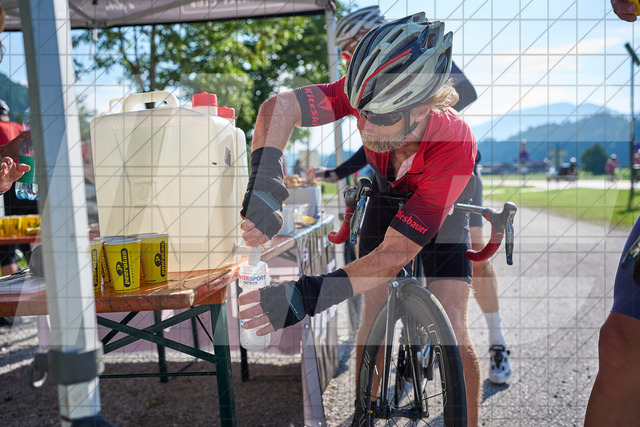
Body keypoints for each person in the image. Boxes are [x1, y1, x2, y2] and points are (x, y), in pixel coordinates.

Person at [237, 14, 482, 425]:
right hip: (386, 195)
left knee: (454, 325)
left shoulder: (454, 142)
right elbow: (280, 107)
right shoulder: (368, 90)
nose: (363, 126)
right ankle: (362, 412)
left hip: (442, 205)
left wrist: (306, 295)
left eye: (380, 117)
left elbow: (393, 255)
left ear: (422, 108)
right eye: (360, 112)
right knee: (374, 308)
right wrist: (265, 177)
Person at [311, 5, 513, 385]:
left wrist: (421, 112)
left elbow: (467, 92)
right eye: (346, 51)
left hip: (451, 167)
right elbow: (379, 139)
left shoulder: (416, 52)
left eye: (350, 46)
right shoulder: (367, 82)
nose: (349, 57)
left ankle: (498, 341)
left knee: (475, 253)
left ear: (371, 35)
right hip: (405, 171)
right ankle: (414, 332)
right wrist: (337, 171)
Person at [0, 101, 38, 276]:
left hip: (11, 191)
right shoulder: (18, 127)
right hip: (27, 182)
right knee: (32, 244)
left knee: (7, 251)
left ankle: (12, 288)